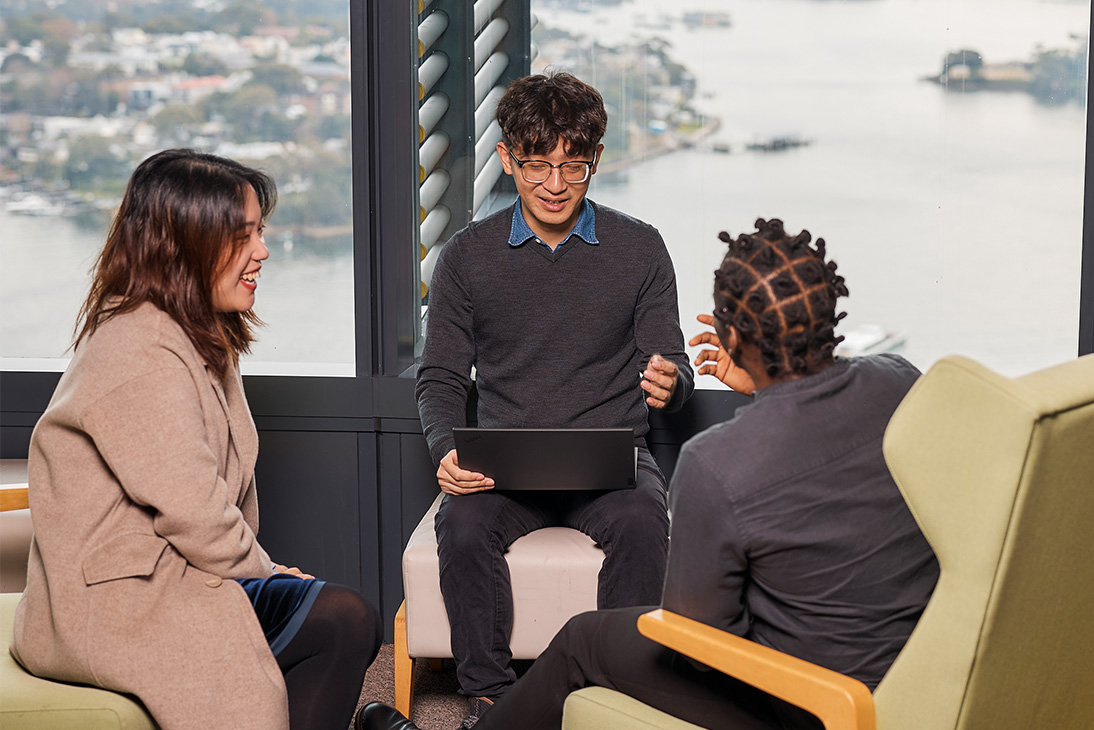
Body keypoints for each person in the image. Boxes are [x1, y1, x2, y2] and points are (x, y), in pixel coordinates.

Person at [361, 218, 940, 730]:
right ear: (827, 315)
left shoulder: (718, 462)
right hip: (908, 667)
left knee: (582, 642)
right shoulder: (901, 380)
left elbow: (693, 641)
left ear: (730, 336)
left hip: (790, 697)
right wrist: (768, 384)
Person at [10, 149, 383, 730]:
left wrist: (262, 570)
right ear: (185, 245)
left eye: (260, 231)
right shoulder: (140, 351)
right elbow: (198, 513)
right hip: (116, 604)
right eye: (243, 236)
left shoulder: (192, 332)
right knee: (340, 618)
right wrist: (266, 571)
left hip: (167, 576)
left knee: (344, 618)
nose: (263, 250)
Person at [414, 71, 695, 726]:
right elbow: (442, 377)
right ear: (508, 158)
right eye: (536, 165)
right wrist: (445, 450)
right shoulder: (465, 258)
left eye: (573, 166)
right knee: (461, 526)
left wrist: (670, 383)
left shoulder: (640, 247)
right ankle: (489, 701)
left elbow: (673, 366)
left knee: (641, 523)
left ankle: (617, 698)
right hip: (505, 463)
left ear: (595, 160)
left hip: (614, 453)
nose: (555, 184)